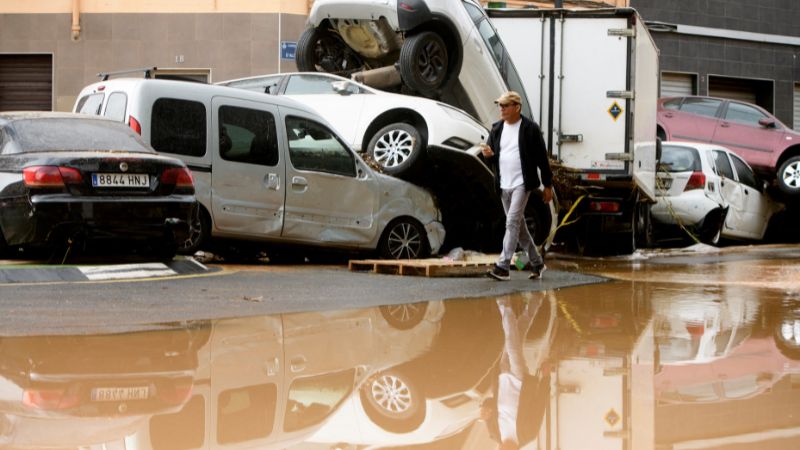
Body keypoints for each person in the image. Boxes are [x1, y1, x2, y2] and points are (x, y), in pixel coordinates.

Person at [481, 91, 554, 281]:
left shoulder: (530, 129)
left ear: (517, 107)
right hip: (503, 184)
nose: (502, 109)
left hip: (522, 183)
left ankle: (503, 267)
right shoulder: (496, 129)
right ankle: (537, 263)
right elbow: (493, 159)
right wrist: (488, 155)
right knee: (519, 227)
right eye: (500, 105)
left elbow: (541, 159)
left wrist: (548, 185)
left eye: (505, 106)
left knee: (512, 222)